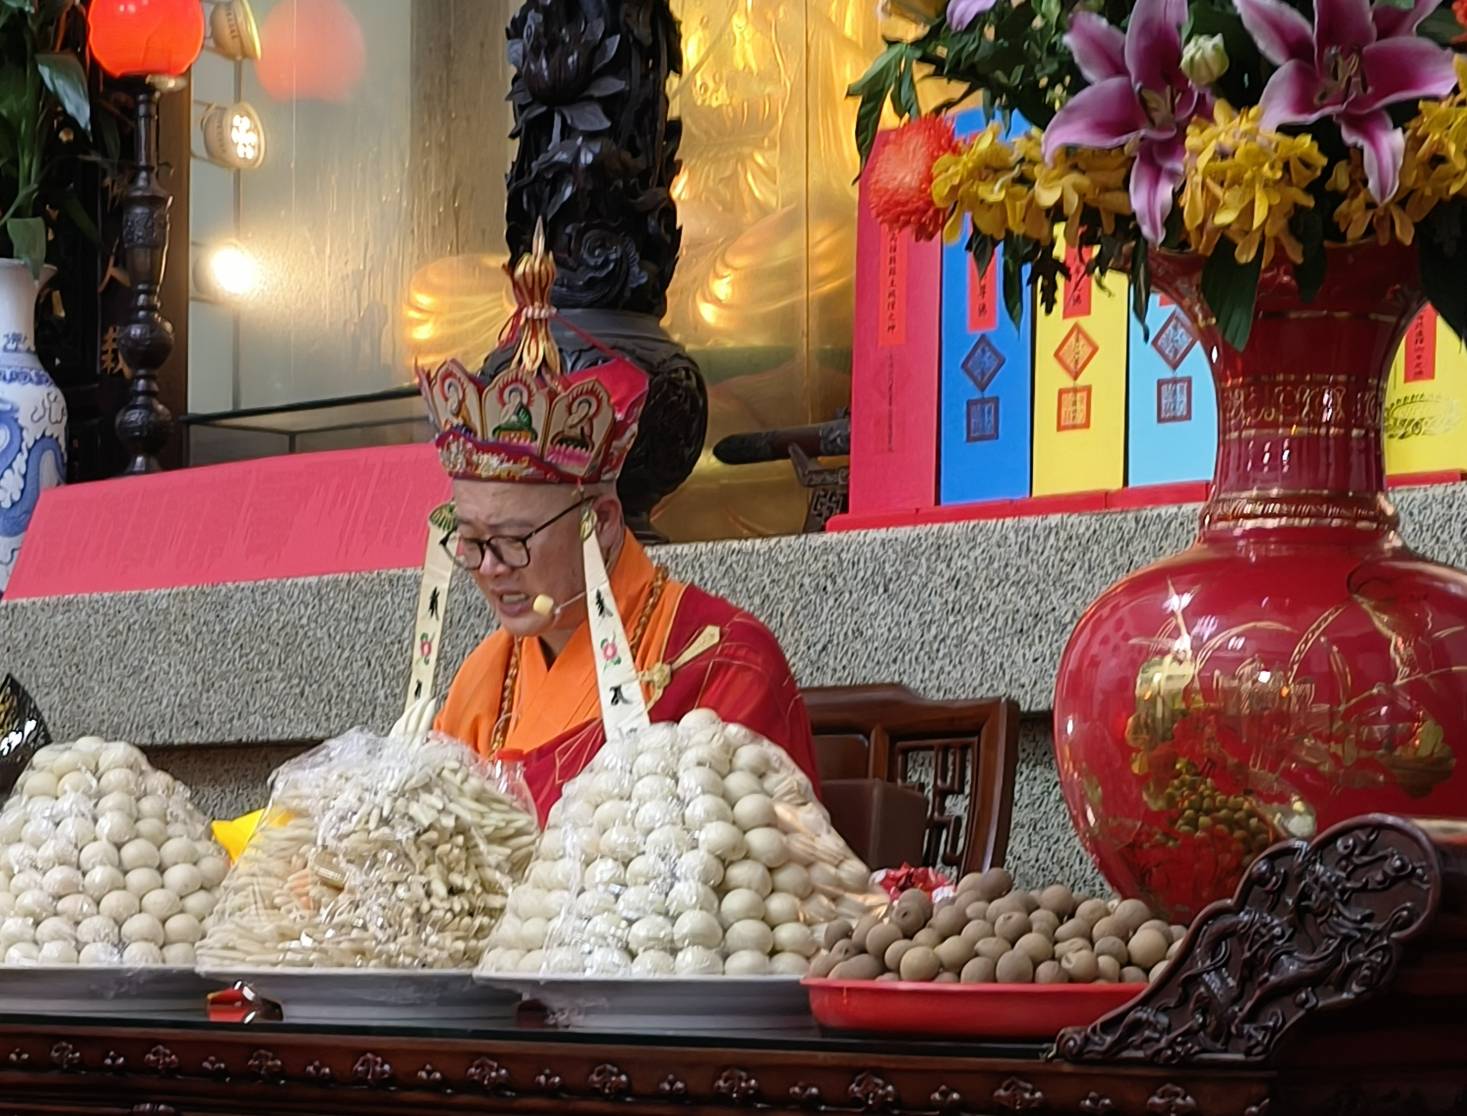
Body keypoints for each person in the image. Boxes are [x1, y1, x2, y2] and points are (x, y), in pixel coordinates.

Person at [421, 228, 819, 820]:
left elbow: (752, 856)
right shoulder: (483, 679)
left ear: (602, 520)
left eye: (511, 541)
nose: (490, 569)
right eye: (472, 542)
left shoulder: (717, 659)